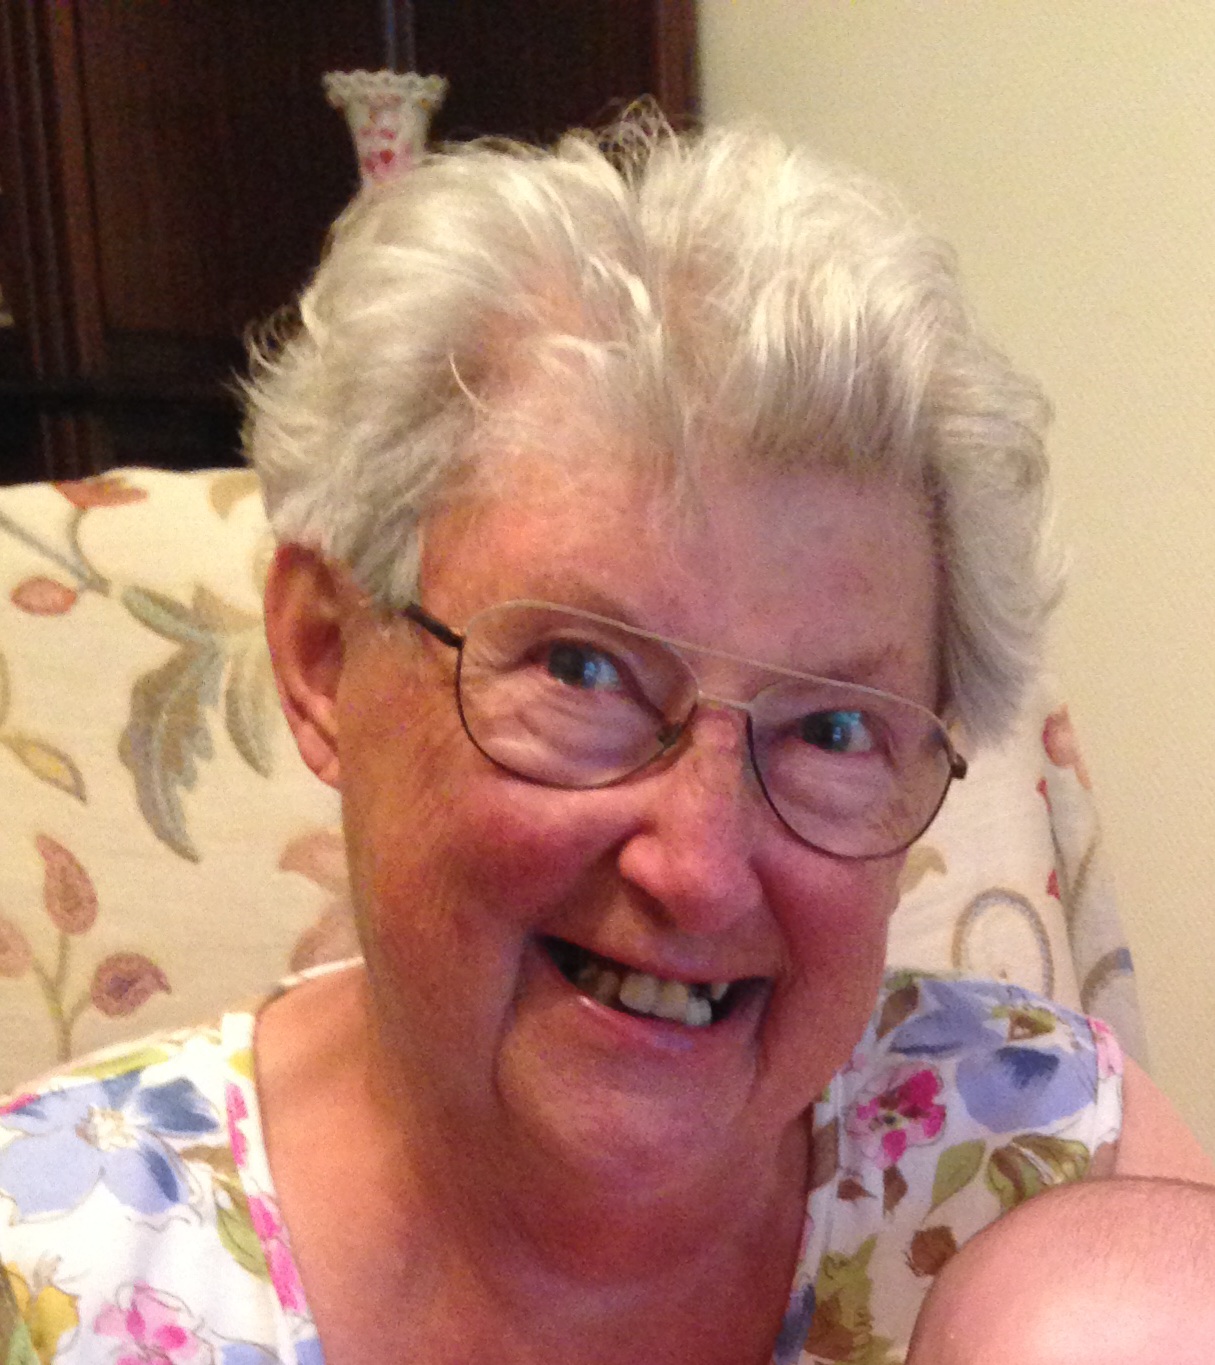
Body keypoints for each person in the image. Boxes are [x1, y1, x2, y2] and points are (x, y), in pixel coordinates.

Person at [1, 115, 1212, 1365]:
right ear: (322, 659)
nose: (700, 869)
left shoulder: (1051, 1175)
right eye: (582, 670)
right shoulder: (52, 1272)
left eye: (834, 729)